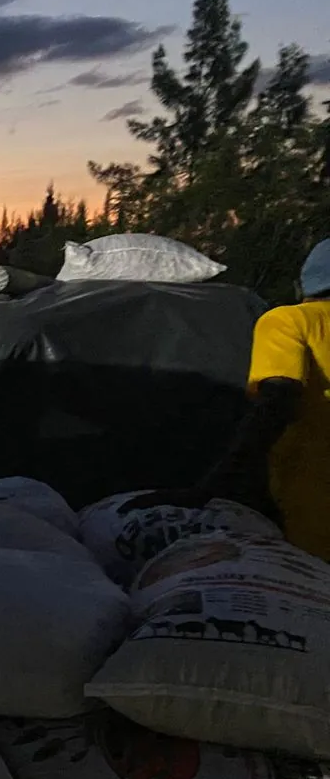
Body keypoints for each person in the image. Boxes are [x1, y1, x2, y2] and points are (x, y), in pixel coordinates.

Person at [133, 239, 330, 559]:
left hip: (314, 506)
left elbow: (277, 399)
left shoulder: (290, 321)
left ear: (301, 286)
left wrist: (212, 488)